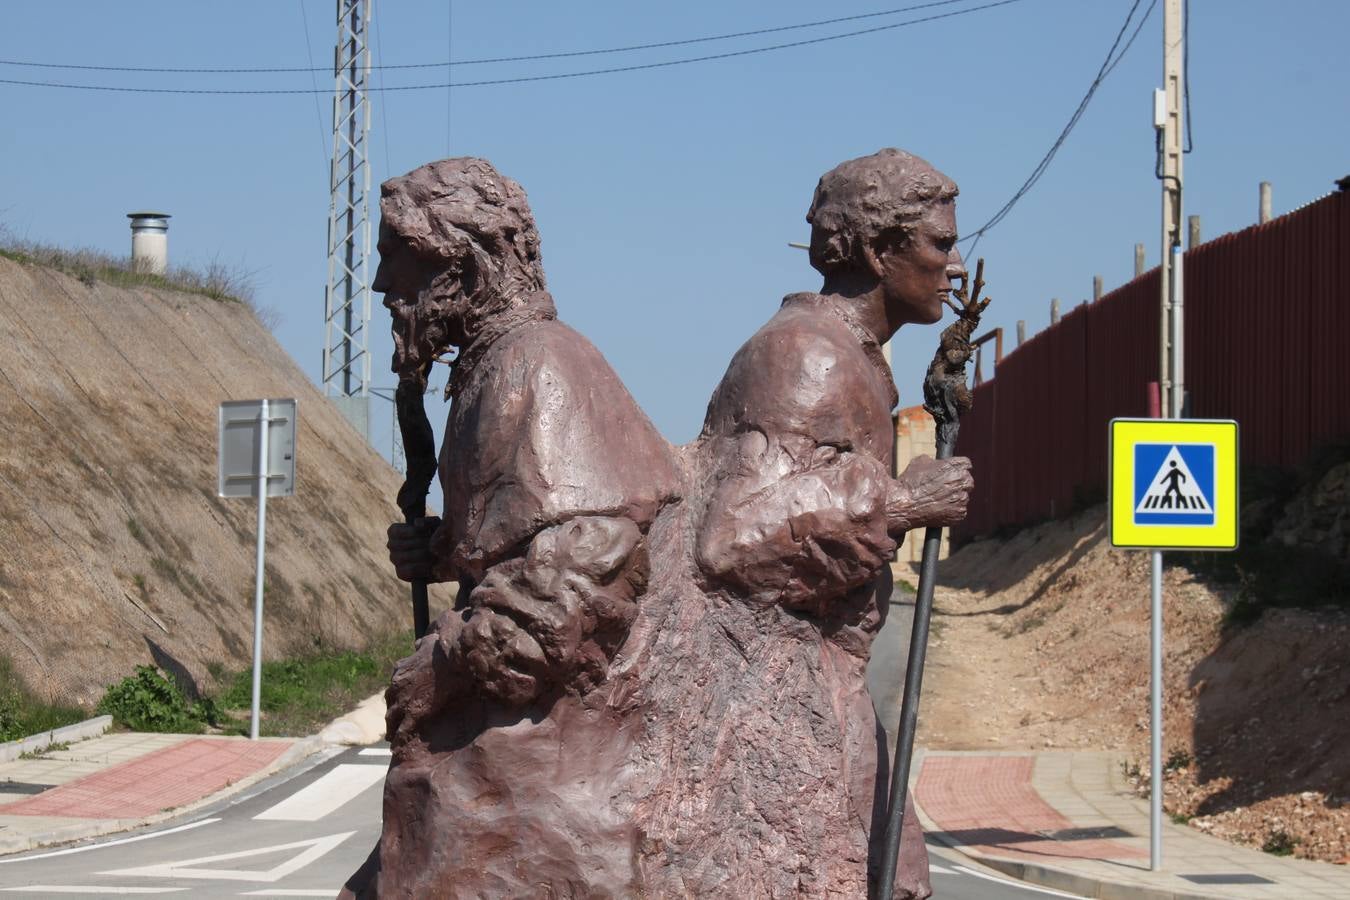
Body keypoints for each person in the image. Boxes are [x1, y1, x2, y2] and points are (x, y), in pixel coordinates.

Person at [631, 148, 973, 898]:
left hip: (820, 687)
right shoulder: (808, 358)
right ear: (880, 251)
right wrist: (901, 504)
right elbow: (735, 537)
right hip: (776, 702)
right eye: (939, 244)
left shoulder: (852, 356)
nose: (954, 265)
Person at [352, 157, 681, 898]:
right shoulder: (488, 367)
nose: (382, 289)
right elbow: (526, 533)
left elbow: (584, 567)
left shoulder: (536, 364)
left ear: (461, 267)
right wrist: (445, 549)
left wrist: (442, 664)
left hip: (539, 776)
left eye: (394, 262)